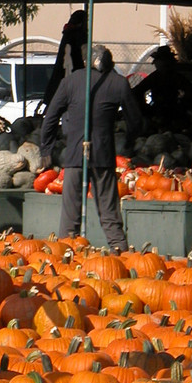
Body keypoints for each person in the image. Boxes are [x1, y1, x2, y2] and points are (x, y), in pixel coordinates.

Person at [40, 47, 142, 253]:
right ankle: (119, 251)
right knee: (109, 210)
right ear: (110, 64)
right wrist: (130, 143)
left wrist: (46, 148)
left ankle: (67, 255)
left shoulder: (71, 81)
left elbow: (50, 117)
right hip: (103, 155)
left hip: (75, 154)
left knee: (70, 216)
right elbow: (136, 121)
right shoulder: (118, 83)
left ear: (87, 62)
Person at [131, 44, 192, 123]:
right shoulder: (155, 77)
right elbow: (137, 91)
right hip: (158, 109)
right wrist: (146, 108)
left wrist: (181, 105)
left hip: (173, 110)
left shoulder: (174, 77)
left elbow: (190, 91)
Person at [42, 9, 87, 109]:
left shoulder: (68, 33)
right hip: (72, 77)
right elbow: (84, 54)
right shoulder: (77, 35)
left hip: (62, 78)